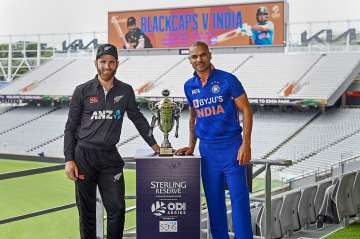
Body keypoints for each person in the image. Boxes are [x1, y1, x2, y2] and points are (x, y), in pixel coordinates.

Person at [64, 43, 160, 239]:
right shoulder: (82, 90)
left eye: (111, 62)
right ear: (96, 63)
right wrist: (69, 159)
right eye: (103, 62)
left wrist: (156, 145)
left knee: (117, 208)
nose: (107, 66)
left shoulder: (125, 90)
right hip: (84, 157)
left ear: (117, 64)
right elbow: (70, 127)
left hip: (109, 157)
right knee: (87, 211)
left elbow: (138, 118)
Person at [176, 41, 253, 239]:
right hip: (208, 152)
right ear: (189, 60)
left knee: (239, 201)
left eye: (202, 55)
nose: (198, 60)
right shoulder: (189, 86)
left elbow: (246, 110)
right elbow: (194, 117)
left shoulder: (228, 80)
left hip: (232, 148)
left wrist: (246, 144)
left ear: (210, 55)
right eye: (194, 57)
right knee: (214, 204)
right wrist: (191, 145)